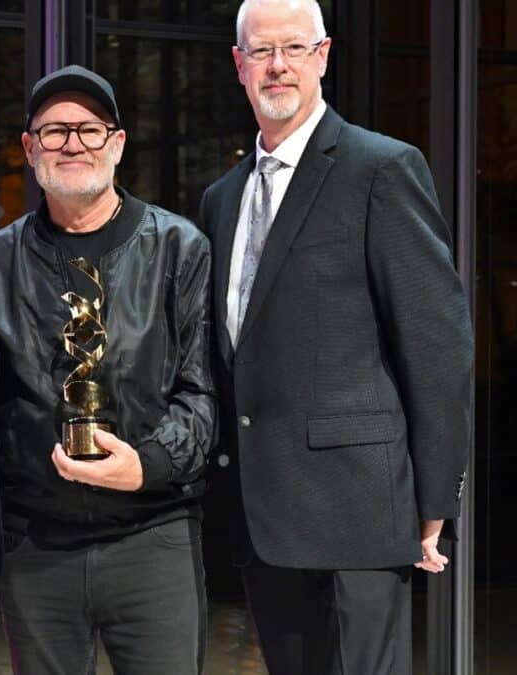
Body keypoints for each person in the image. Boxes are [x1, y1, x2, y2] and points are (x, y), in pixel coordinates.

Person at [198, 1, 474, 672]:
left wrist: (435, 499)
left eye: (294, 48)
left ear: (323, 56)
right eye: (261, 52)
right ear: (239, 66)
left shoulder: (380, 168)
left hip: (359, 513)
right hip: (264, 518)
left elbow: (437, 344)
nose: (278, 66)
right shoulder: (222, 198)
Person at [0, 65, 215, 675]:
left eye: (89, 129)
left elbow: (201, 391)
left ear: (117, 143)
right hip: (36, 547)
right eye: (54, 132)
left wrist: (148, 466)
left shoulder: (178, 247)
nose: (73, 144)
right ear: (29, 148)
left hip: (153, 535)